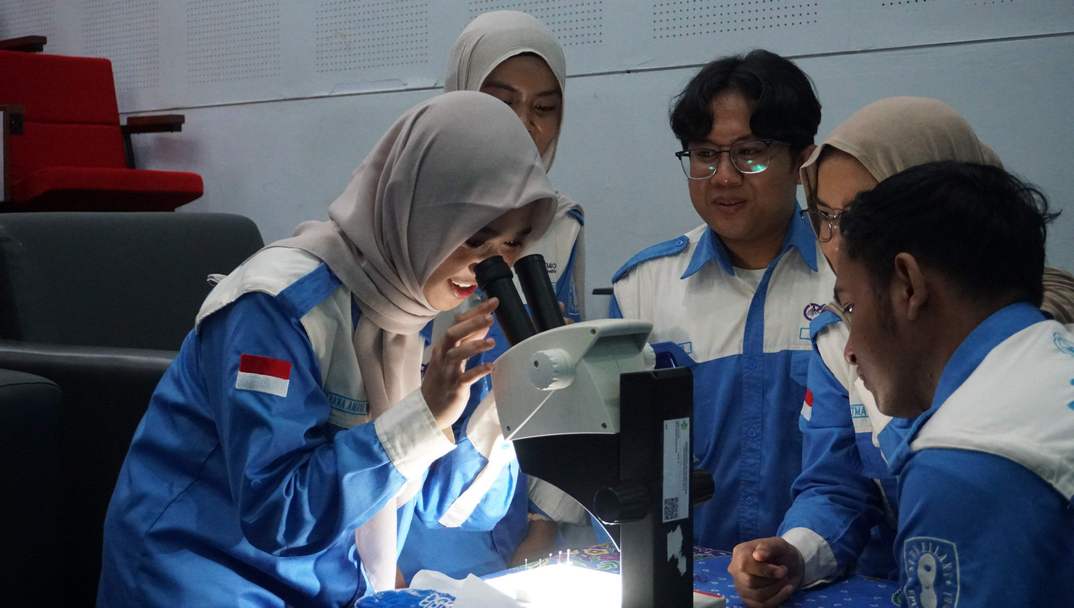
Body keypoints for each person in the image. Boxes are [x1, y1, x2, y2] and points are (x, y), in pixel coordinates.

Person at [96, 91, 558, 606]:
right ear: (421, 210)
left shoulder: (407, 308)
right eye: (476, 239)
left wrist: (504, 408)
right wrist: (423, 417)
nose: (487, 266)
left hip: (317, 583)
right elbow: (278, 513)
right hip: (198, 576)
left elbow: (449, 507)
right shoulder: (275, 309)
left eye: (512, 244)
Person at [727, 97, 1074, 606]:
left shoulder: (964, 453)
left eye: (859, 215)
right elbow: (836, 485)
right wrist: (799, 549)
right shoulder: (838, 333)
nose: (837, 241)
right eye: (825, 216)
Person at [609, 49, 831, 552]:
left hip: (832, 574)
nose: (725, 177)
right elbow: (617, 455)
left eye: (750, 152)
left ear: (802, 161)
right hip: (688, 572)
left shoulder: (849, 278)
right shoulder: (643, 287)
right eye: (706, 155)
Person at [398, 10, 590, 580]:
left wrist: (545, 519)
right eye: (501, 101)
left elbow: (565, 375)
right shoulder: (404, 213)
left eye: (544, 108)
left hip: (502, 489)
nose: (524, 124)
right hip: (405, 492)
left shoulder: (560, 225)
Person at [833, 161, 1073, 605]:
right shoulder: (1055, 362)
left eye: (850, 308)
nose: (849, 349)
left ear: (908, 286)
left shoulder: (964, 456)